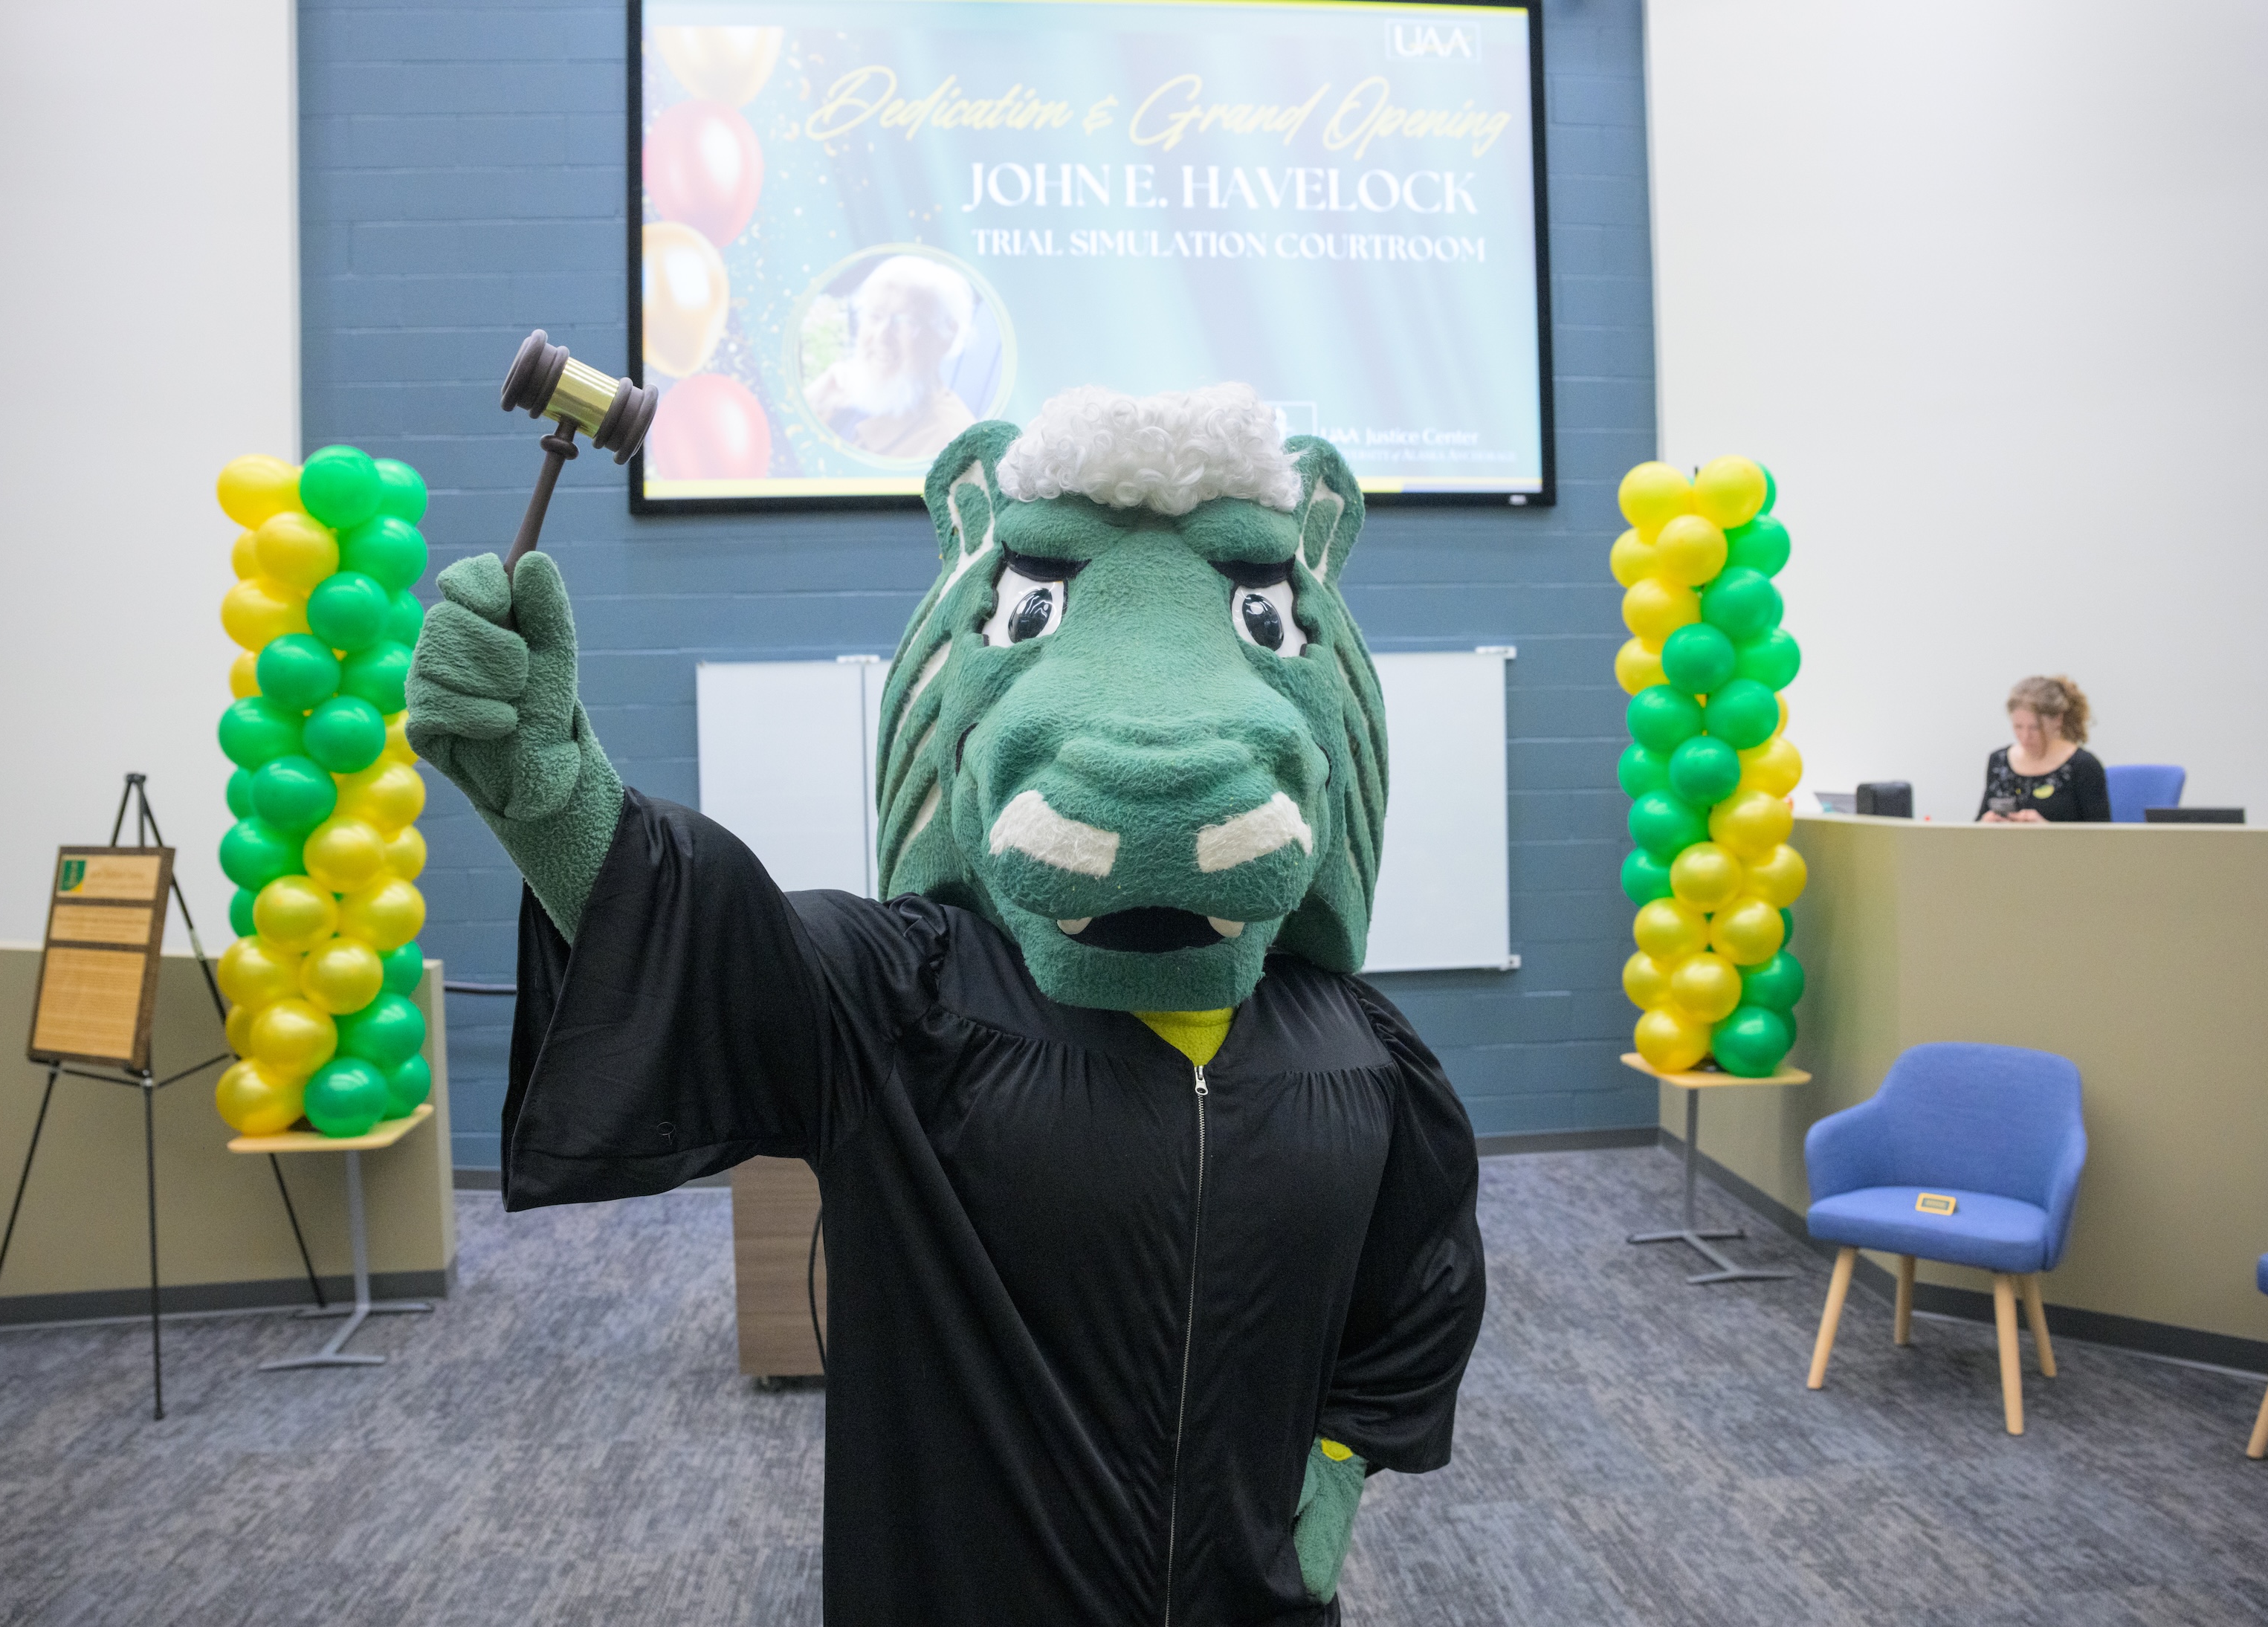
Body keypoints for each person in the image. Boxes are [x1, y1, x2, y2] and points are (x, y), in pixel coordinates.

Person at [404, 384, 1484, 1626]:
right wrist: (548, 792)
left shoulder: (1355, 1049)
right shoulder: (902, 1001)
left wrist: (1337, 1465)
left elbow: (1420, 1285)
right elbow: (713, 938)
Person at [802, 253, 981, 461]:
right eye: (874, 316)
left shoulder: (954, 448)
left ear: (946, 336)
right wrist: (811, 404)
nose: (882, 336)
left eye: (905, 321)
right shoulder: (844, 398)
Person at [1977, 674, 2110, 823]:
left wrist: (2047, 833)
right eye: (2018, 727)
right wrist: (1984, 825)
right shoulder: (1999, 761)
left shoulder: (2083, 766)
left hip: (2061, 847)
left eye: (2035, 728)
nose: (2025, 736)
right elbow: (1974, 833)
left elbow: (2101, 840)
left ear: (2057, 720)